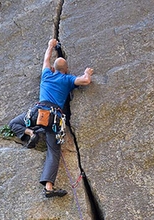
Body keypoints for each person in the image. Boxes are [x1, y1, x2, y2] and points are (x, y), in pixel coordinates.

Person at [8, 38, 94, 198]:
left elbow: (46, 59)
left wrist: (50, 45)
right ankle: (49, 187)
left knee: (14, 123)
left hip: (37, 113)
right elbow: (85, 81)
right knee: (53, 152)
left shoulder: (47, 74)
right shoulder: (67, 79)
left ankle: (30, 133)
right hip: (54, 120)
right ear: (66, 69)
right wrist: (87, 73)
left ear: (54, 68)